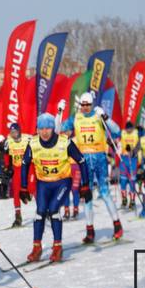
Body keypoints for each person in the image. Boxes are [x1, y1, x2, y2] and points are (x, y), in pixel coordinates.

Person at [19, 113, 88, 263]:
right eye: (41, 128)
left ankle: (57, 247)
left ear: (53, 129)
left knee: (53, 210)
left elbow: (82, 161)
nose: (44, 132)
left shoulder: (65, 142)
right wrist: (23, 187)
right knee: (40, 212)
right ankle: (37, 247)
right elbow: (24, 164)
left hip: (62, 182)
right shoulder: (33, 143)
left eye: (48, 128)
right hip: (43, 183)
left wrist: (86, 185)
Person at [72, 93, 123, 244]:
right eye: (83, 105)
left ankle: (117, 225)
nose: (85, 107)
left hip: (99, 159)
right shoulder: (76, 117)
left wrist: (106, 117)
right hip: (84, 161)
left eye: (88, 104)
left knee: (105, 193)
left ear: (92, 104)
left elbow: (116, 131)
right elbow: (58, 129)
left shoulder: (99, 115)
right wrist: (60, 113)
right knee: (86, 194)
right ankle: (90, 231)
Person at [4, 124, 31, 224]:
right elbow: (6, 154)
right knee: (15, 192)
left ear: (19, 131)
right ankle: (18, 216)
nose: (13, 135)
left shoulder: (27, 139)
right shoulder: (8, 141)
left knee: (33, 189)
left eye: (15, 132)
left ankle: (44, 211)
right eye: (11, 133)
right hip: (17, 168)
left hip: (28, 168)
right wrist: (7, 167)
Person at [118, 122, 140, 209]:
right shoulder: (122, 133)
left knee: (132, 181)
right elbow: (115, 136)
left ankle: (132, 201)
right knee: (123, 181)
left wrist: (133, 151)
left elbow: (139, 145)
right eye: (127, 129)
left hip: (133, 159)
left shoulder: (136, 134)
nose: (128, 130)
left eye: (130, 128)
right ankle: (124, 199)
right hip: (124, 159)